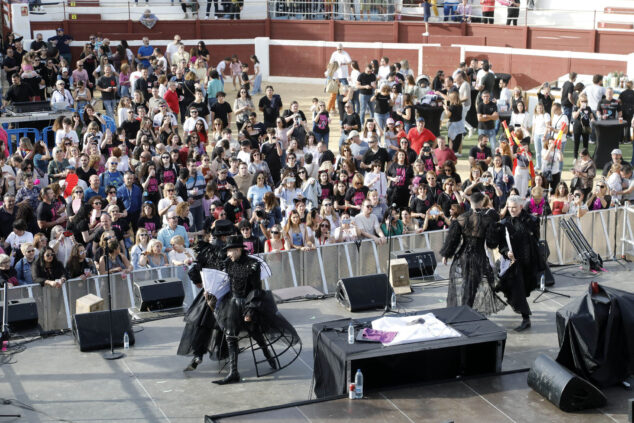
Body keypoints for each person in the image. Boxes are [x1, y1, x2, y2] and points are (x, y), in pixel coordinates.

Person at [211, 234, 300, 385]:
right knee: (230, 337)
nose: (228, 254)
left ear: (238, 250)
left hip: (248, 303)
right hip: (232, 305)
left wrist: (250, 310)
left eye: (230, 251)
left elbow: (256, 290)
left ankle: (269, 356)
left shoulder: (253, 265)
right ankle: (234, 372)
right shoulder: (229, 264)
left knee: (256, 333)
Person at [178, 219, 234, 372]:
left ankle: (198, 355)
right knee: (225, 326)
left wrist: (201, 284)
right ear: (225, 236)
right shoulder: (229, 250)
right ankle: (226, 354)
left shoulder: (206, 250)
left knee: (203, 326)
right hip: (226, 295)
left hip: (209, 294)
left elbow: (194, 271)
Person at [440, 192, 503, 315]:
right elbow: (491, 243)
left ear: (470, 202)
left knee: (467, 283)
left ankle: (465, 309)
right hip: (478, 256)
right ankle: (466, 310)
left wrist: (446, 255)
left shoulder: (462, 218)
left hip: (463, 256)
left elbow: (452, 239)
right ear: (481, 202)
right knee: (472, 285)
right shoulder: (487, 219)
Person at [492, 195, 542, 331]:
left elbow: (536, 238)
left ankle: (525, 314)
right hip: (514, 264)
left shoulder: (531, 220)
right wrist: (506, 251)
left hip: (529, 261)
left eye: (514, 207)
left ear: (521, 206)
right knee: (517, 289)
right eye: (509, 207)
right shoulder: (504, 223)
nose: (511, 210)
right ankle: (526, 318)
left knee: (524, 289)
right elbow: (501, 244)